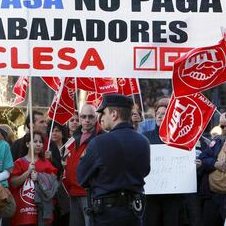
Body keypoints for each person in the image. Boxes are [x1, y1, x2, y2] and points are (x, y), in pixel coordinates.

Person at [77, 94, 150, 226]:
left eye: (103, 113)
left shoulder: (99, 142)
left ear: (114, 114)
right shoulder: (143, 141)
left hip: (106, 215)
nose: (101, 118)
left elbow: (82, 177)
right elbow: (145, 171)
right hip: (134, 213)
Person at [143, 98, 183, 226]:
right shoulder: (146, 137)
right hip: (151, 195)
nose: (160, 116)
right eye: (158, 113)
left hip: (172, 194)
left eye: (164, 113)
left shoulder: (178, 137)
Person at [9, 132, 58, 225]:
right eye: (35, 141)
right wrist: (27, 172)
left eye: (40, 142)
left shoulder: (46, 162)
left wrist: (39, 177)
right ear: (27, 144)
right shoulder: (19, 163)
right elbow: (13, 183)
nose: (38, 144)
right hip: (23, 210)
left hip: (42, 209)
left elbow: (54, 183)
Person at [63, 104, 100, 226]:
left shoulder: (101, 137)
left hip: (90, 194)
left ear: (96, 117)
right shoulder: (73, 138)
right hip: (73, 193)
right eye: (83, 117)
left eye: (91, 116)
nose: (87, 120)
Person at [198, 112, 226, 226]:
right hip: (213, 197)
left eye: (224, 126)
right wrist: (215, 164)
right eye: (221, 126)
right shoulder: (218, 141)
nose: (223, 129)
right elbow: (203, 157)